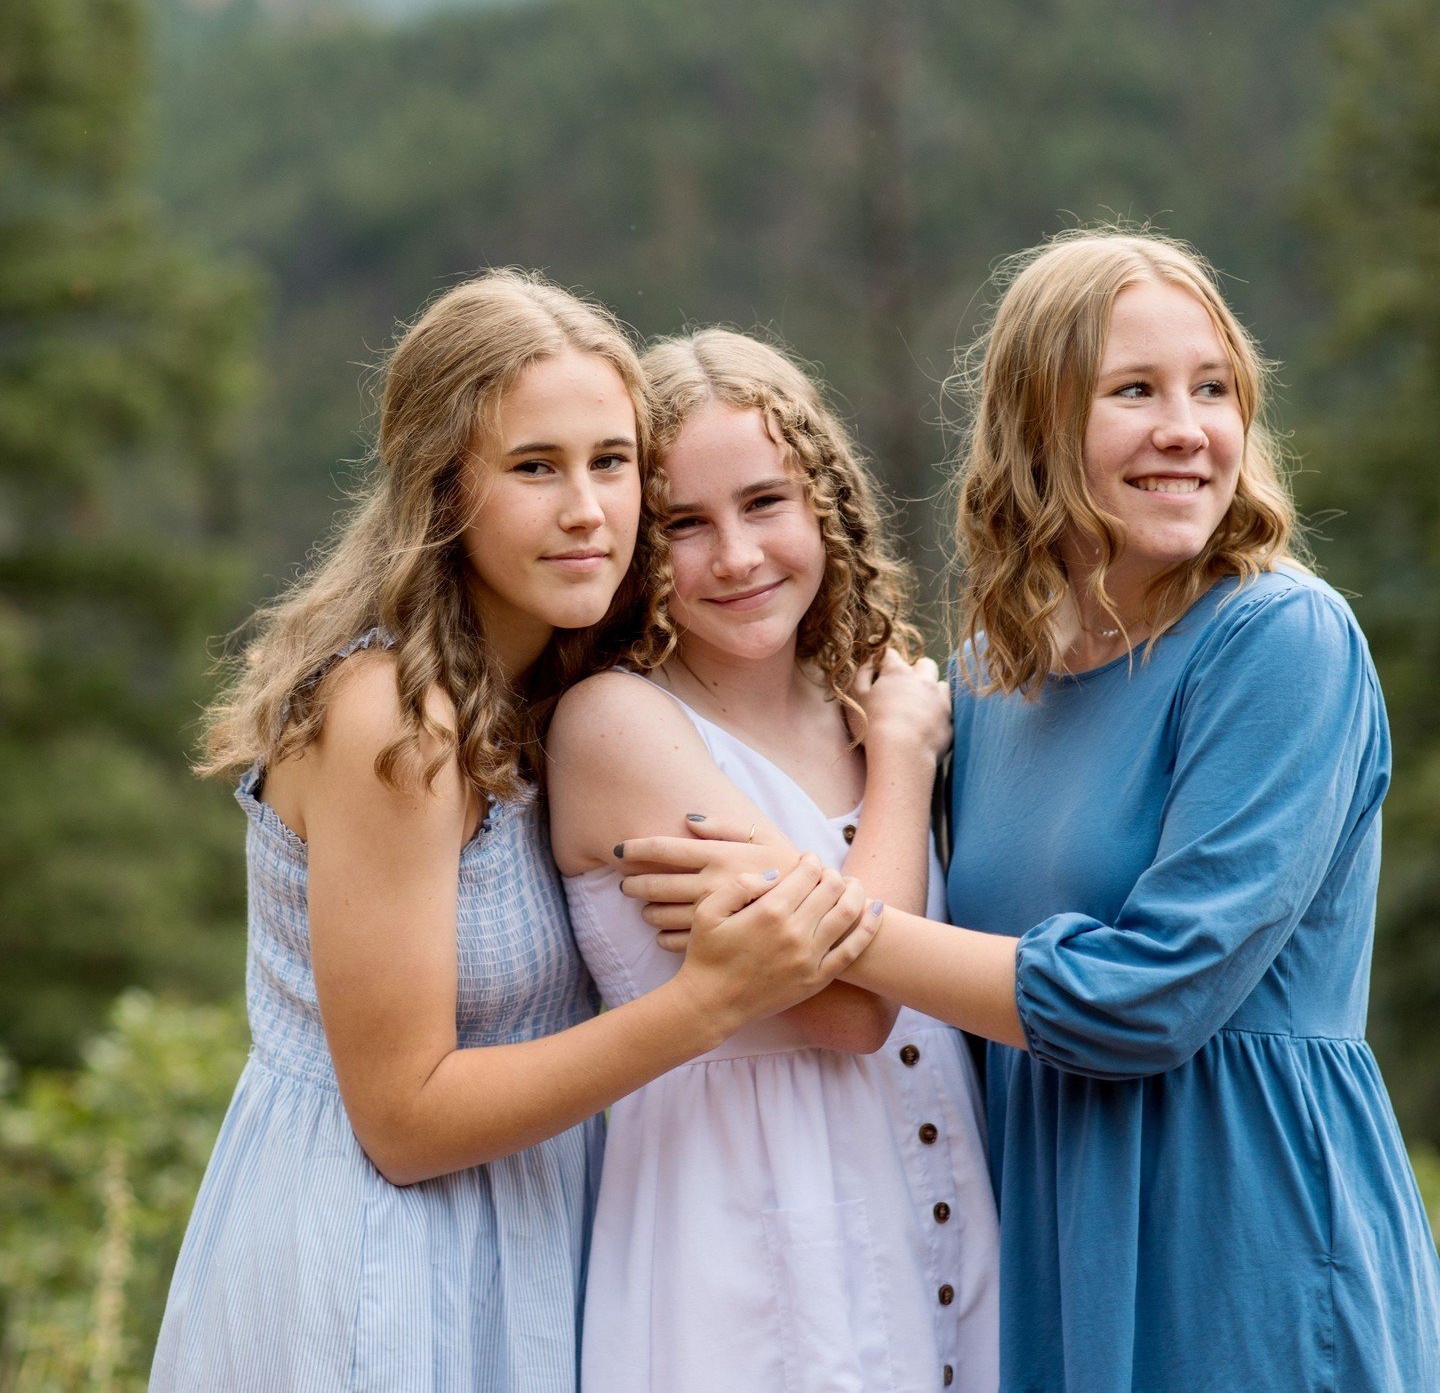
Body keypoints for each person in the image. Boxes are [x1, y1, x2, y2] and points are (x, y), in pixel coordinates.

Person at [618, 233, 1440, 1392]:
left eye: (1213, 388)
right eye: (1134, 391)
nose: (1185, 427)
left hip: (1245, 1242)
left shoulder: (1280, 642)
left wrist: (814, 918)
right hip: (1048, 1241)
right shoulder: (988, 685)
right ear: (1038, 425)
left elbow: (1149, 998)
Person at [150, 273, 880, 1393]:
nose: (588, 507)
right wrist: (706, 1002)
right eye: (535, 467)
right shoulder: (397, 714)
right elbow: (404, 1119)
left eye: (612, 461)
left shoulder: (561, 680)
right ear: (444, 490)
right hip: (379, 1263)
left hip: (534, 1244)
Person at [548, 328, 1000, 1393]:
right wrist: (899, 759)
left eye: (764, 503)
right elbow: (849, 1007)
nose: (739, 557)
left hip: (934, 1226)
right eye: (683, 526)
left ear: (825, 507)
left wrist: (883, 735)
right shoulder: (618, 725)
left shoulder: (863, 697)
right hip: (750, 1260)